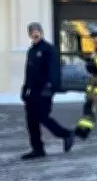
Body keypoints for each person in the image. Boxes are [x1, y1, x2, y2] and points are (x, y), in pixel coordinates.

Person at [20, 22, 74, 160]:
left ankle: (66, 134)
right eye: (31, 32)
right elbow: (29, 72)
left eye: (36, 31)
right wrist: (25, 88)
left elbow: (54, 71)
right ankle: (37, 149)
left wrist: (50, 87)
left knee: (42, 117)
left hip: (44, 91)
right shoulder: (31, 51)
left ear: (41, 32)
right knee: (31, 121)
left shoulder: (49, 49)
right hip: (32, 92)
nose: (34, 33)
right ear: (29, 35)